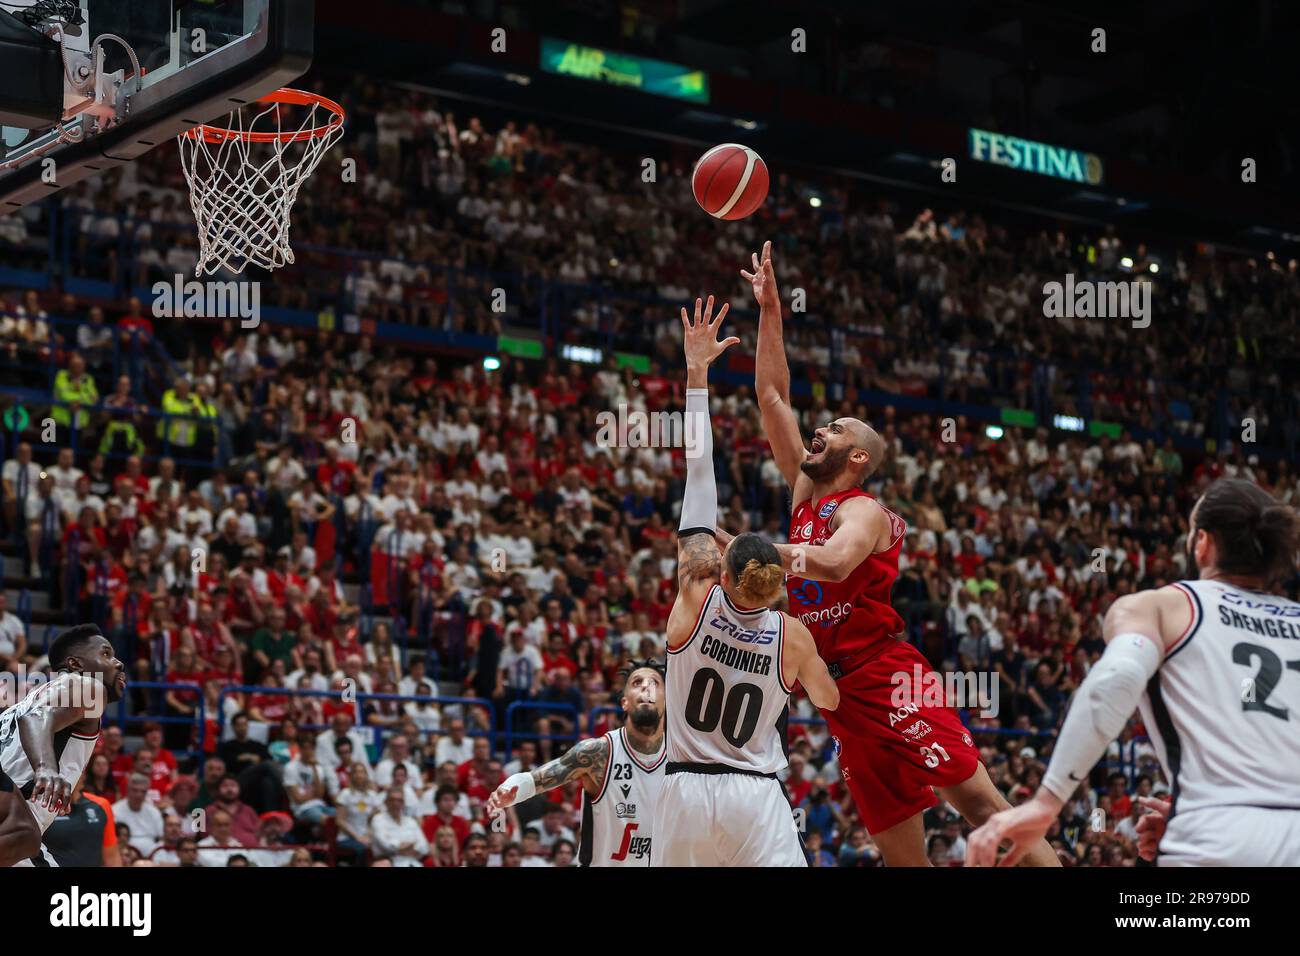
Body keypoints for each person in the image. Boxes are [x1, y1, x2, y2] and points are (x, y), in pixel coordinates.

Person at [740, 242, 1057, 867]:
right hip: (839, 694)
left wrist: (757, 551)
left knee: (981, 806)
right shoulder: (806, 493)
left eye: (835, 428)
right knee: (899, 854)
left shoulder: (864, 511)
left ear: (857, 457)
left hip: (889, 674)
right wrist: (771, 309)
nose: (820, 429)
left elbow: (831, 563)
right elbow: (773, 397)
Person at [968, 479, 1300, 867]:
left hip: (1218, 836)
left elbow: (1118, 679)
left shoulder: (1163, 606)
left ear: (1203, 543)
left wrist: (1047, 801)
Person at [651, 295, 838, 867]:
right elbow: (829, 698)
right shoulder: (792, 637)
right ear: (778, 585)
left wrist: (697, 373)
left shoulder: (694, 598)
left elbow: (700, 475)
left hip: (683, 791)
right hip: (756, 796)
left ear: (722, 571)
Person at [488, 659, 666, 867]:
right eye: (637, 683)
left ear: (667, 699)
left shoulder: (681, 757)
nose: (646, 687)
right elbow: (533, 779)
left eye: (654, 682)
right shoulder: (598, 753)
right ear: (624, 702)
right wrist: (508, 789)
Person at [0, 623, 126, 867]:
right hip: (15, 821)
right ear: (75, 665)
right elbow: (37, 718)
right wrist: (46, 768)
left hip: (18, 830)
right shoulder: (88, 686)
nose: (118, 663)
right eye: (106, 654)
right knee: (26, 835)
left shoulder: (13, 709)